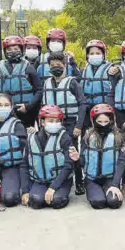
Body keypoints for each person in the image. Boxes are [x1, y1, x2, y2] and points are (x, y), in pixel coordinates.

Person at [39, 51, 88, 195]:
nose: (55, 67)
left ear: (64, 65)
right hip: (51, 122)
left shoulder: (72, 82)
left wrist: (78, 126)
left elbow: (82, 103)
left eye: (58, 64)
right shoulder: (46, 83)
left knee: (72, 152)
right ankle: (58, 179)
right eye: (52, 64)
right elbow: (42, 107)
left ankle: (79, 181)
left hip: (70, 122)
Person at [76, 104, 125, 209]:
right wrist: (77, 159)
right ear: (94, 121)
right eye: (99, 122)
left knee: (114, 202)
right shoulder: (87, 137)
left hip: (110, 178)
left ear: (111, 121)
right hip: (92, 179)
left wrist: (115, 184)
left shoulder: (118, 137)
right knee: (98, 202)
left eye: (106, 122)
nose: (103, 125)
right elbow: (82, 161)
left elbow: (121, 162)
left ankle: (109, 188)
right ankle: (93, 190)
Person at [23, 105, 75, 209]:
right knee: (35, 202)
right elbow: (24, 165)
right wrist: (25, 191)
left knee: (57, 201)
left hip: (61, 181)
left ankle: (59, 193)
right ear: (42, 122)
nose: (54, 124)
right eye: (51, 120)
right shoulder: (32, 138)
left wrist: (53, 188)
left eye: (57, 121)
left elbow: (68, 165)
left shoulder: (65, 138)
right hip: (40, 180)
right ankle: (41, 192)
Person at [0, 36, 43, 128]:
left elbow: (39, 90)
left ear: (21, 50)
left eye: (16, 49)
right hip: (3, 112)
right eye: (9, 49)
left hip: (25, 113)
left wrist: (28, 106)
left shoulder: (29, 68)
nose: (13, 51)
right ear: (5, 51)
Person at [80, 40, 114, 120]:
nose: (95, 55)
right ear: (87, 55)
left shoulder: (111, 69)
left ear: (103, 55)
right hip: (87, 108)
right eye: (92, 53)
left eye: (98, 53)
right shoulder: (83, 71)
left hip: (104, 108)